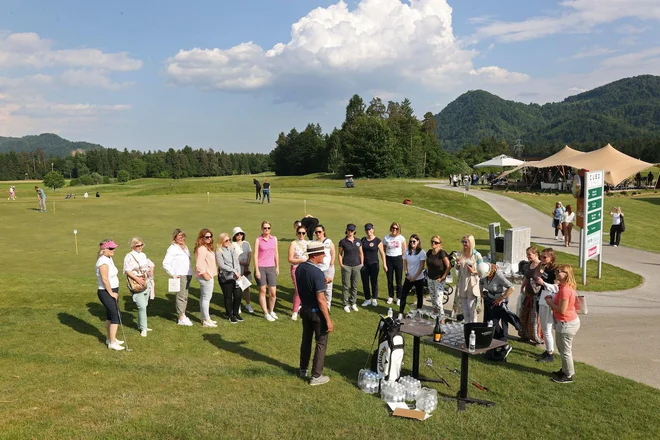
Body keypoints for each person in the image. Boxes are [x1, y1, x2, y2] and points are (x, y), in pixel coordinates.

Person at [296, 241, 334, 386]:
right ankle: (316, 376)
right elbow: (321, 299)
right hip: (316, 313)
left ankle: (303, 369)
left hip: (304, 310)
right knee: (321, 343)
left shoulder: (300, 268)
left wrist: (322, 282)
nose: (324, 255)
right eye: (322, 253)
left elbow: (307, 285)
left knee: (306, 340)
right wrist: (328, 320)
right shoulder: (317, 272)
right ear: (315, 255)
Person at [544, 264, 580, 383]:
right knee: (562, 349)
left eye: (559, 271)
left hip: (566, 324)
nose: (556, 272)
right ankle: (565, 370)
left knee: (565, 351)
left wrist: (549, 302)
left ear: (566, 274)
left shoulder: (565, 290)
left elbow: (561, 309)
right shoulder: (565, 286)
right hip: (566, 322)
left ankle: (568, 375)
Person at [478, 262, 517, 346]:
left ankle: (503, 337)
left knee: (498, 319)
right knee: (488, 320)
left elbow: (511, 287)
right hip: (490, 297)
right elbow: (481, 282)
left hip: (500, 299)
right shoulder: (483, 273)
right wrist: (481, 293)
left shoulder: (498, 275)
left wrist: (501, 298)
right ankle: (494, 336)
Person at [95, 239, 124, 351]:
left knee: (109, 316)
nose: (114, 250)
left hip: (112, 290)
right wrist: (111, 293)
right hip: (106, 291)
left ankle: (110, 338)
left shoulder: (108, 258)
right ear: (104, 249)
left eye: (114, 248)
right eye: (111, 248)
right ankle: (112, 343)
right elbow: (105, 279)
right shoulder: (103, 261)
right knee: (115, 316)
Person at [162, 228, 193, 326]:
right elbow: (165, 263)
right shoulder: (172, 248)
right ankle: (181, 317)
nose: (181, 238)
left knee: (185, 296)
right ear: (174, 238)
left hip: (188, 274)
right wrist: (173, 274)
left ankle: (183, 314)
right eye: (179, 237)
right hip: (180, 275)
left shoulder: (185, 247)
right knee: (181, 296)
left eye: (183, 236)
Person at [123, 237, 153, 337]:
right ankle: (143, 328)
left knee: (145, 304)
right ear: (133, 246)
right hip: (136, 282)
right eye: (138, 245)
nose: (140, 247)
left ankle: (142, 325)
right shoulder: (129, 256)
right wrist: (138, 279)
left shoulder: (143, 255)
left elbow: (146, 266)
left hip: (146, 280)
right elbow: (127, 271)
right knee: (142, 306)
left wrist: (149, 272)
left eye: (141, 245)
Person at [535, 248, 558, 362]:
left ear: (551, 258)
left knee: (547, 328)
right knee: (544, 328)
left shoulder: (555, 271)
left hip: (548, 300)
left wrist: (543, 283)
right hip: (542, 297)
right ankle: (549, 350)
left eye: (545, 257)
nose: (542, 259)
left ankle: (550, 354)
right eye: (541, 257)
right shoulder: (544, 268)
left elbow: (556, 288)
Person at [254, 220, 280, 321]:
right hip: (261, 267)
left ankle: (271, 310)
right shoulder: (258, 240)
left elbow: (276, 253)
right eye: (265, 228)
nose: (267, 230)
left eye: (268, 228)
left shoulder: (274, 239)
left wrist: (277, 267)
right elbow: (255, 255)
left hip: (271, 267)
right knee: (263, 291)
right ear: (262, 229)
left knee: (273, 292)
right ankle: (265, 313)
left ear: (270, 229)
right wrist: (256, 269)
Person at [518, 246, 544, 346]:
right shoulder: (530, 264)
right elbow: (526, 277)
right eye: (527, 254)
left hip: (536, 296)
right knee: (523, 315)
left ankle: (536, 338)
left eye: (529, 254)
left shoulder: (541, 266)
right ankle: (524, 335)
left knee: (534, 318)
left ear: (536, 254)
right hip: (528, 295)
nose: (527, 256)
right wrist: (522, 287)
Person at [216, 232, 244, 324]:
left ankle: (235, 313)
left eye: (229, 240)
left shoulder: (232, 248)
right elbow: (221, 265)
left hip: (235, 276)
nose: (228, 242)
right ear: (221, 241)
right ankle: (229, 315)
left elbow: (236, 260)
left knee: (238, 295)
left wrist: (238, 272)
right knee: (228, 296)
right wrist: (233, 270)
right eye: (226, 240)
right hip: (225, 277)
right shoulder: (219, 251)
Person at [456, 235, 482, 323]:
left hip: (472, 283)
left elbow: (483, 272)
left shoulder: (477, 255)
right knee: (465, 309)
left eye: (465, 242)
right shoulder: (460, 253)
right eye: (462, 242)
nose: (464, 244)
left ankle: (473, 328)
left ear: (471, 242)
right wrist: (457, 264)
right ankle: (467, 327)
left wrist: (474, 271)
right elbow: (457, 268)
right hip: (463, 282)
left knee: (472, 309)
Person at [338, 223, 364, 313]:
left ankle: (353, 303)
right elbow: (340, 254)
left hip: (356, 265)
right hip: (347, 266)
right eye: (349, 230)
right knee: (346, 286)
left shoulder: (358, 241)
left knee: (354, 286)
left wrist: (362, 263)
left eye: (352, 231)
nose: (350, 232)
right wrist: (341, 265)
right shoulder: (343, 241)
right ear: (347, 230)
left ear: (354, 231)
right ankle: (345, 304)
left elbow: (361, 253)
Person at [194, 228, 218, 328]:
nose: (209, 238)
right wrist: (206, 276)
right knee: (206, 298)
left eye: (210, 236)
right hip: (205, 277)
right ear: (201, 238)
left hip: (208, 275)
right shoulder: (202, 249)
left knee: (204, 298)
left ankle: (206, 318)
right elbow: (199, 265)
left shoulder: (205, 247)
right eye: (206, 237)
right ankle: (206, 320)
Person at [360, 223, 386, 307]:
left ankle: (374, 299)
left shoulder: (377, 241)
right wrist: (361, 263)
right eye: (367, 230)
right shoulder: (363, 240)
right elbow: (360, 253)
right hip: (364, 265)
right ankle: (367, 299)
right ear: (365, 230)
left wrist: (384, 264)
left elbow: (382, 253)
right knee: (365, 282)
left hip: (374, 264)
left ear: (373, 229)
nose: (368, 231)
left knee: (374, 281)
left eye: (370, 229)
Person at [399, 234, 426, 315]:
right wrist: (407, 274)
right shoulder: (407, 251)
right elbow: (405, 264)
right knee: (403, 295)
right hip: (409, 277)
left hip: (418, 278)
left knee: (419, 296)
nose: (412, 243)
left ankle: (418, 313)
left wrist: (414, 277)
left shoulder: (421, 252)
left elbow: (422, 266)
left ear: (418, 242)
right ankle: (401, 312)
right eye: (410, 241)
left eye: (414, 241)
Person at [426, 235, 450, 317]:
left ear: (440, 244)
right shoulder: (429, 252)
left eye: (436, 242)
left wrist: (443, 277)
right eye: (432, 241)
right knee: (433, 299)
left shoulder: (442, 253)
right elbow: (428, 263)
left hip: (439, 280)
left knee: (438, 301)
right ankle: (436, 316)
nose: (433, 243)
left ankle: (442, 317)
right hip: (430, 278)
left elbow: (448, 266)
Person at [232, 226, 254, 314]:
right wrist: (239, 262)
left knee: (246, 287)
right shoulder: (232, 245)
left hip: (245, 268)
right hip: (237, 268)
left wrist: (247, 263)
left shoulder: (246, 243)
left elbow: (249, 254)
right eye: (237, 234)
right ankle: (238, 305)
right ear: (234, 235)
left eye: (241, 234)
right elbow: (233, 257)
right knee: (238, 287)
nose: (239, 235)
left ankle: (248, 304)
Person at [288, 225, 308, 320]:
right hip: (296, 268)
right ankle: (295, 311)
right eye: (299, 233)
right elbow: (290, 259)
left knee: (305, 290)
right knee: (298, 290)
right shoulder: (293, 243)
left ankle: (302, 307)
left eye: (303, 233)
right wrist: (301, 260)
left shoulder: (308, 243)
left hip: (306, 269)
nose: (301, 235)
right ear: (297, 233)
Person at [383, 222, 406, 306]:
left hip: (398, 259)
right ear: (391, 228)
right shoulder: (386, 238)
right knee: (390, 280)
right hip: (389, 259)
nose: (394, 230)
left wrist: (401, 259)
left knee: (399, 281)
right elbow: (384, 249)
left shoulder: (401, 238)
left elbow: (404, 249)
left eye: (396, 228)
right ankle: (391, 296)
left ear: (399, 229)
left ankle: (399, 298)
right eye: (393, 228)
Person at [313, 225, 336, 307]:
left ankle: (327, 306)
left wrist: (332, 262)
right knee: (318, 287)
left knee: (328, 288)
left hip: (328, 268)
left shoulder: (328, 241)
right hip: (318, 268)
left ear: (323, 232)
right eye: (316, 232)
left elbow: (333, 252)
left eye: (319, 231)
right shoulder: (314, 243)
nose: (318, 233)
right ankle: (319, 304)